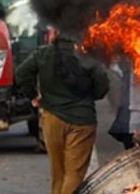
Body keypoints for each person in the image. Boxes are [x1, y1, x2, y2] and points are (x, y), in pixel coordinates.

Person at [16, 32, 109, 194]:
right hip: (82, 121)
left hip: (52, 118)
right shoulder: (87, 55)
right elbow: (102, 84)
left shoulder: (43, 53)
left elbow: (22, 72)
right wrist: (88, 98)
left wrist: (33, 96)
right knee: (74, 174)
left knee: (58, 173)